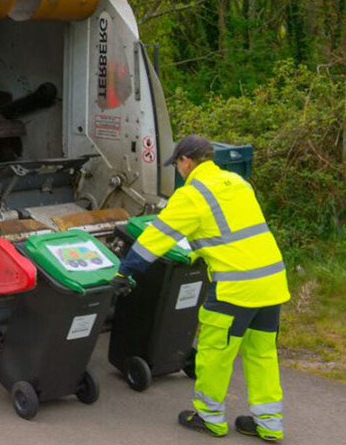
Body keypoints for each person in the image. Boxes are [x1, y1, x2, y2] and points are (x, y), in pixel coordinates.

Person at [113, 135, 290, 441]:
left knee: (214, 353)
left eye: (177, 164)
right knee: (261, 353)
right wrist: (196, 251)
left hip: (236, 289)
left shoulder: (193, 194)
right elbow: (228, 232)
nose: (179, 170)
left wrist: (125, 271)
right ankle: (269, 423)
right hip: (271, 282)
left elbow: (157, 237)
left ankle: (209, 418)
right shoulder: (237, 183)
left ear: (187, 161)